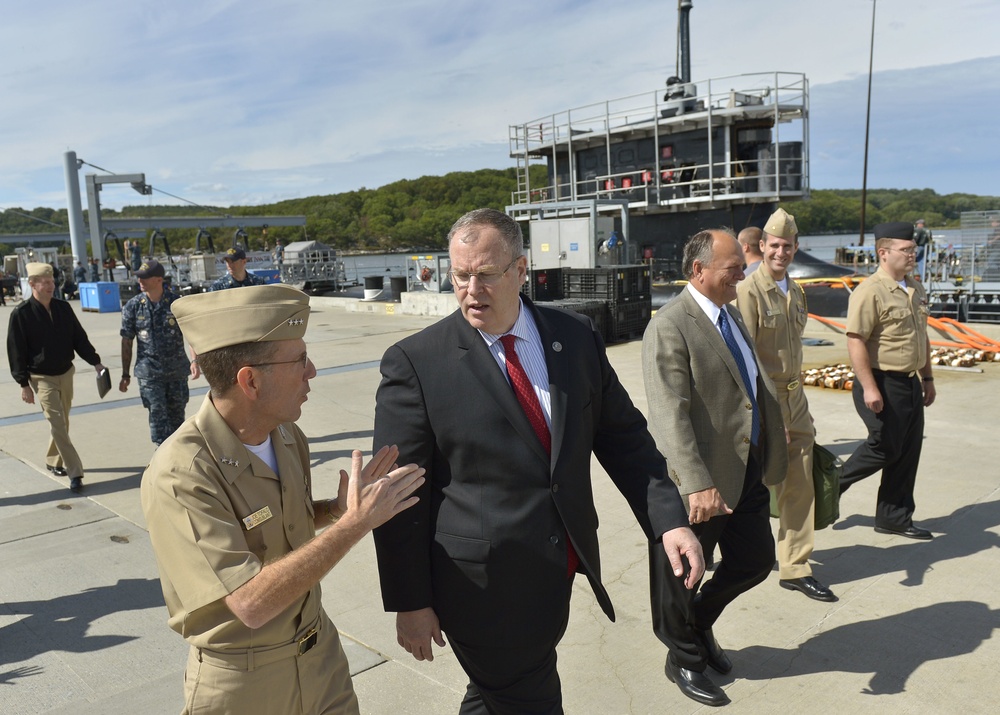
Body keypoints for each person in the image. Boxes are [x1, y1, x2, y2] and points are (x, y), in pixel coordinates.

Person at [372, 208, 702, 714]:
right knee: (531, 700)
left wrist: (668, 520)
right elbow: (398, 496)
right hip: (478, 590)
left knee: (494, 697)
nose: (470, 289)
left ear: (521, 271)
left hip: (556, 571)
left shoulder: (574, 337)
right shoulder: (416, 363)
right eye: (460, 276)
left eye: (486, 274)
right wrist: (409, 601)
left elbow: (625, 438)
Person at [141, 284, 425, 714]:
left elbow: (276, 522)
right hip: (247, 685)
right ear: (250, 380)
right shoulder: (182, 473)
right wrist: (355, 525)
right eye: (298, 360)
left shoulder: (287, 436)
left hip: (321, 659)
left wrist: (335, 509)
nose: (312, 371)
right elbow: (250, 603)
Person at [642, 228, 788, 707]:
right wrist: (696, 484)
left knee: (755, 561)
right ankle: (682, 656)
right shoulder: (670, 325)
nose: (741, 276)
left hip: (744, 471)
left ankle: (700, 623)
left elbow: (747, 387)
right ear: (697, 271)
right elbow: (669, 413)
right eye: (732, 270)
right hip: (699, 483)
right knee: (682, 576)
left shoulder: (728, 314)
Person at [736, 209, 837, 603]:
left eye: (787, 246)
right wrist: (766, 412)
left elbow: (793, 351)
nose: (781, 252)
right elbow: (745, 357)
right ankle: (713, 545)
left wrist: (801, 404)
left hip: (795, 398)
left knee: (800, 485)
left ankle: (795, 566)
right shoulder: (748, 291)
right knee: (749, 485)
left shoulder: (795, 292)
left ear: (795, 248)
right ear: (761, 247)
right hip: (765, 401)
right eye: (774, 245)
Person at [839, 222, 936, 540]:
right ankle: (831, 485)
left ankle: (894, 517)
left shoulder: (914, 287)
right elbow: (856, 341)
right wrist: (869, 387)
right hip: (880, 381)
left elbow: (922, 336)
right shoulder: (870, 291)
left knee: (908, 451)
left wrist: (928, 377)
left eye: (913, 249)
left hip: (909, 382)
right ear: (884, 253)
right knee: (885, 446)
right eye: (906, 249)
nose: (913, 254)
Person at [6, 262, 105, 492]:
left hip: (66, 372)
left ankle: (53, 459)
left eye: (52, 282)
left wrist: (95, 361)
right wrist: (23, 384)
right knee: (57, 422)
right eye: (46, 283)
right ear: (32, 285)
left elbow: (78, 338)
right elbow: (16, 351)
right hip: (41, 377)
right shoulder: (21, 314)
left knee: (63, 421)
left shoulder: (63, 308)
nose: (51, 286)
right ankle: (75, 472)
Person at [119, 260, 194, 446]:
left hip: (176, 372)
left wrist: (195, 361)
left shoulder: (176, 304)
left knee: (177, 421)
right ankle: (162, 460)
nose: (140, 280)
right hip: (149, 373)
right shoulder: (133, 306)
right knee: (158, 420)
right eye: (139, 277)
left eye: (145, 277)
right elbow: (127, 341)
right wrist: (125, 373)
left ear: (159, 279)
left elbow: (191, 333)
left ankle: (177, 459)